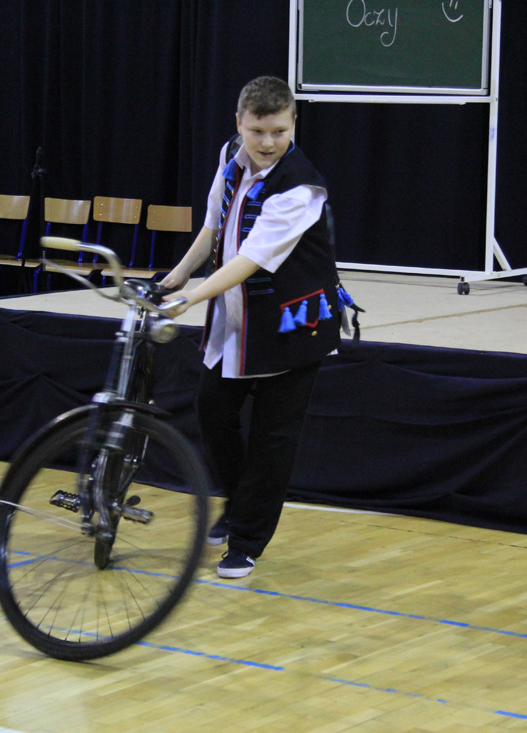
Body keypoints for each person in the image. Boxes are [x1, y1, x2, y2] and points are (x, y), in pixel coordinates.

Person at [161, 76, 341, 579]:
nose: (267, 142)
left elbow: (249, 260)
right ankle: (239, 501)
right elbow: (214, 226)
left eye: (279, 131)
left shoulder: (300, 188)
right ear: (239, 123)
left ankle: (247, 540)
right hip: (238, 318)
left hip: (292, 324)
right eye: (257, 130)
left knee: (272, 439)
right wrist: (176, 276)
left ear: (293, 124)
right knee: (212, 410)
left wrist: (190, 298)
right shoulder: (229, 157)